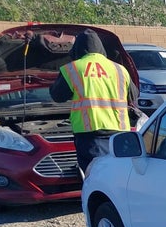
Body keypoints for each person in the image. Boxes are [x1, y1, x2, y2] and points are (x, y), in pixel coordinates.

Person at [49, 29, 138, 176]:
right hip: (119, 134)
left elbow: (57, 96)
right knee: (117, 177)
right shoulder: (119, 69)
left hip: (90, 135)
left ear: (77, 48)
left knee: (96, 178)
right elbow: (134, 95)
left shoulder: (73, 69)